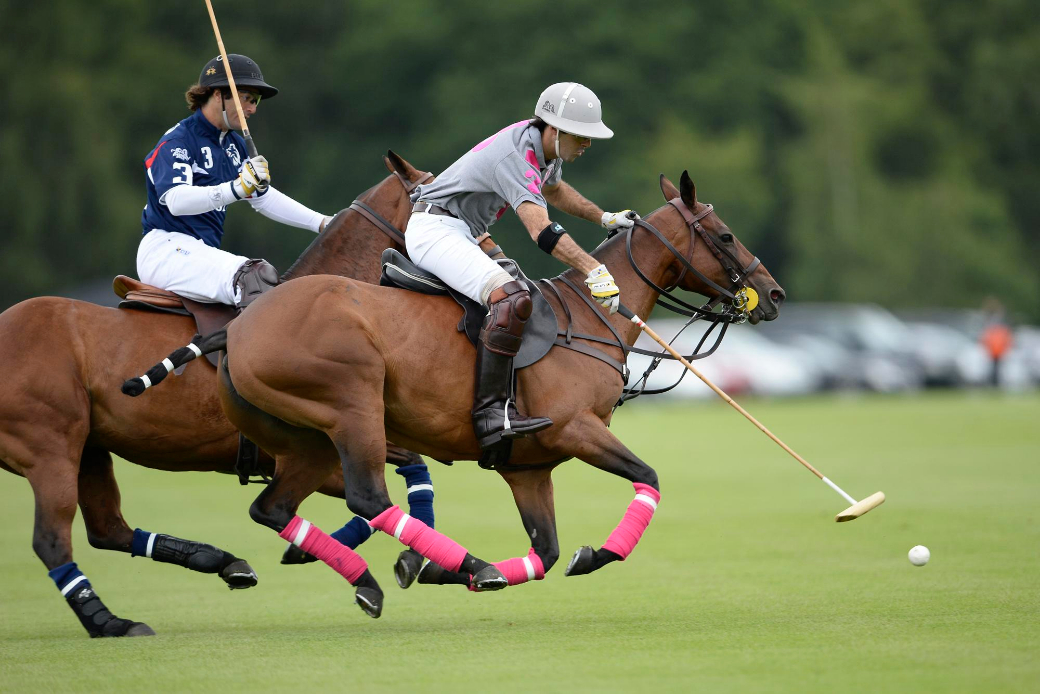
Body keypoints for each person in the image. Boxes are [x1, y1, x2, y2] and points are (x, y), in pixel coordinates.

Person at [406, 82, 638, 450]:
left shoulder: (544, 149)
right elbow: (542, 232)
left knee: (528, 300)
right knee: (510, 298)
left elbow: (554, 190)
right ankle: (492, 414)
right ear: (556, 130)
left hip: (465, 232)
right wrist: (594, 269)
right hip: (435, 229)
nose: (588, 144)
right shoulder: (515, 156)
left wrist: (604, 217)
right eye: (582, 136)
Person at [137, 54, 333, 310]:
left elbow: (263, 198)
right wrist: (236, 189)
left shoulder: (234, 145)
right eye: (247, 99)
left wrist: (323, 223)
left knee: (263, 280)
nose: (252, 109)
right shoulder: (178, 142)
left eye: (256, 101)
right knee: (253, 277)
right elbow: (176, 201)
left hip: (199, 252)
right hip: (165, 249)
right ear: (219, 94)